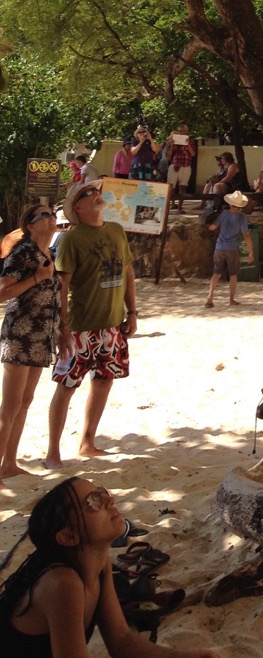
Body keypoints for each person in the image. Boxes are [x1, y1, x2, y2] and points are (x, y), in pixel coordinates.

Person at [0, 476, 221, 658]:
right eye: (93, 501)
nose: (109, 499)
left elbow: (121, 641)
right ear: (68, 537)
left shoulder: (97, 563)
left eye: (101, 491)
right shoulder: (62, 584)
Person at [45, 181, 137, 468]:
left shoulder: (117, 231)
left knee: (104, 381)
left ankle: (87, 442)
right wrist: (62, 326)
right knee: (66, 386)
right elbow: (62, 284)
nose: (95, 195)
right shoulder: (71, 240)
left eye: (95, 191)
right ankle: (52, 452)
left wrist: (132, 312)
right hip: (79, 327)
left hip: (112, 325)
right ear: (77, 208)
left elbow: (128, 272)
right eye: (87, 194)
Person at [0, 204, 64, 481]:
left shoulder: (50, 253)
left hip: (42, 336)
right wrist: (37, 277)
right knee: (11, 405)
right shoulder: (23, 252)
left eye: (52, 214)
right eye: (45, 215)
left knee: (25, 401)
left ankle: (9, 464)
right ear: (30, 225)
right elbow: (2, 292)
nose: (52, 218)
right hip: (20, 334)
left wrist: (62, 330)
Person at [204, 191, 252, 308]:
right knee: (233, 275)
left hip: (220, 247)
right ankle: (231, 299)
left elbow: (212, 228)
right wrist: (251, 251)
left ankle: (210, 297)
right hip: (232, 249)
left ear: (230, 203)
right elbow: (246, 235)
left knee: (216, 273)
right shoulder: (241, 218)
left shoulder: (223, 214)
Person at [163, 125, 195, 212]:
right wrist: (172, 145)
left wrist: (188, 144)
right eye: (180, 131)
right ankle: (172, 204)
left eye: (183, 131)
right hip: (175, 165)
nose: (181, 132)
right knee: (171, 187)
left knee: (183, 187)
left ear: (187, 132)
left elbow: (192, 154)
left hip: (186, 166)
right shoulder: (173, 141)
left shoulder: (190, 141)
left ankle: (180, 207)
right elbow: (169, 156)